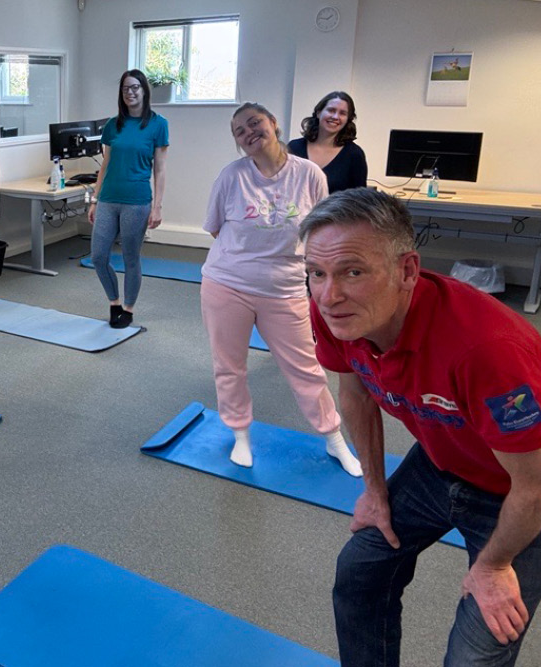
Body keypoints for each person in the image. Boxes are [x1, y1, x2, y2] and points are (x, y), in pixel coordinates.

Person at [301, 188, 541, 667]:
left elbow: (535, 486)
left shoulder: (487, 351)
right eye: (316, 273)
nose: (329, 295)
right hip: (440, 467)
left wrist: (493, 566)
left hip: (521, 492)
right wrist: (374, 490)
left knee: (479, 648)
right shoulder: (337, 314)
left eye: (353, 271)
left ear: (407, 271)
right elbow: (355, 394)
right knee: (360, 572)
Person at [200, 102, 361, 476]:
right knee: (229, 366)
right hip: (227, 284)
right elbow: (214, 228)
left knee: (306, 367)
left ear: (273, 124)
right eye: (240, 131)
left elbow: (322, 229)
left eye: (254, 123)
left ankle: (334, 438)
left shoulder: (309, 175)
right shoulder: (231, 176)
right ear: (238, 143)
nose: (249, 132)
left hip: (286, 288)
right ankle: (239, 432)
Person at [87, 69, 168, 329]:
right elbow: (105, 163)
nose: (130, 92)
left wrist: (157, 206)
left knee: (131, 256)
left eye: (135, 87)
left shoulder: (158, 124)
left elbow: (160, 169)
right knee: (99, 256)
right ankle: (114, 302)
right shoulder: (113, 125)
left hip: (137, 201)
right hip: (109, 198)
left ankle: (129, 309)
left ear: (144, 90)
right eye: (125, 88)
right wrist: (94, 199)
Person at [287, 91, 367, 194]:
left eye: (342, 113)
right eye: (331, 110)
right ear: (318, 112)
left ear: (348, 119)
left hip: (335, 211)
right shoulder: (294, 147)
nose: (335, 117)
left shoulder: (354, 155)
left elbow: (359, 200)